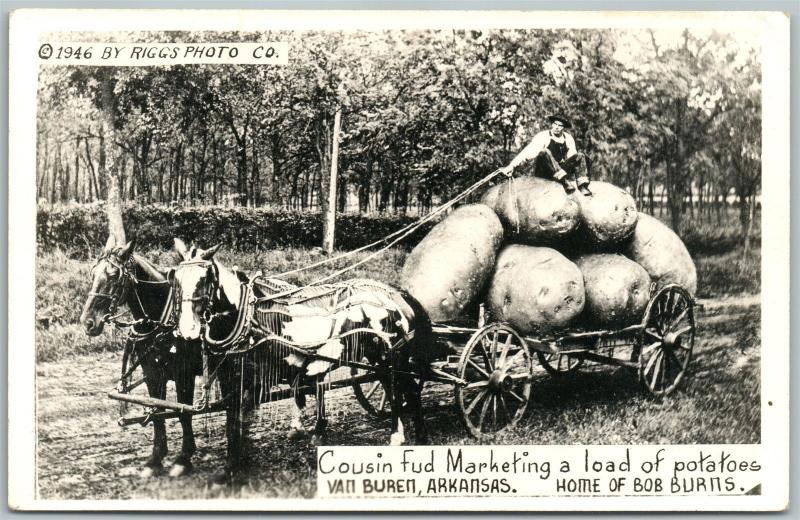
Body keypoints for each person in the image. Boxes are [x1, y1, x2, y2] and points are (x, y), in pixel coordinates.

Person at [499, 114, 592, 196]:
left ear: (564, 128)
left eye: (560, 125)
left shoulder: (568, 138)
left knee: (580, 155)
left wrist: (570, 167)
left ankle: (582, 185)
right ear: (552, 124)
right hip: (545, 171)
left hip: (560, 171)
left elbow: (572, 157)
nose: (557, 127)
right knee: (544, 152)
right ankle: (564, 181)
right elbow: (527, 152)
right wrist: (511, 166)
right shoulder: (543, 136)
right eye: (555, 124)